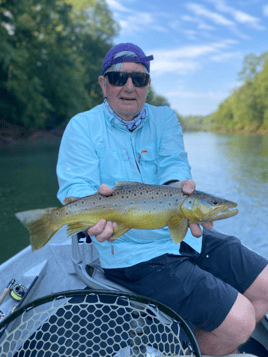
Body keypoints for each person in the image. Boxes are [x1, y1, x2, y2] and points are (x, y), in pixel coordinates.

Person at [57, 43, 268, 356]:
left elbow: (174, 167)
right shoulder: (82, 126)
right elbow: (76, 185)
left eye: (139, 79)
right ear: (103, 83)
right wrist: (90, 211)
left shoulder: (165, 118)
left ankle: (203, 343)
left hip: (182, 234)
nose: (129, 86)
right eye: (118, 78)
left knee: (265, 285)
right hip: (130, 253)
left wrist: (179, 190)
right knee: (241, 322)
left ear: (148, 85)